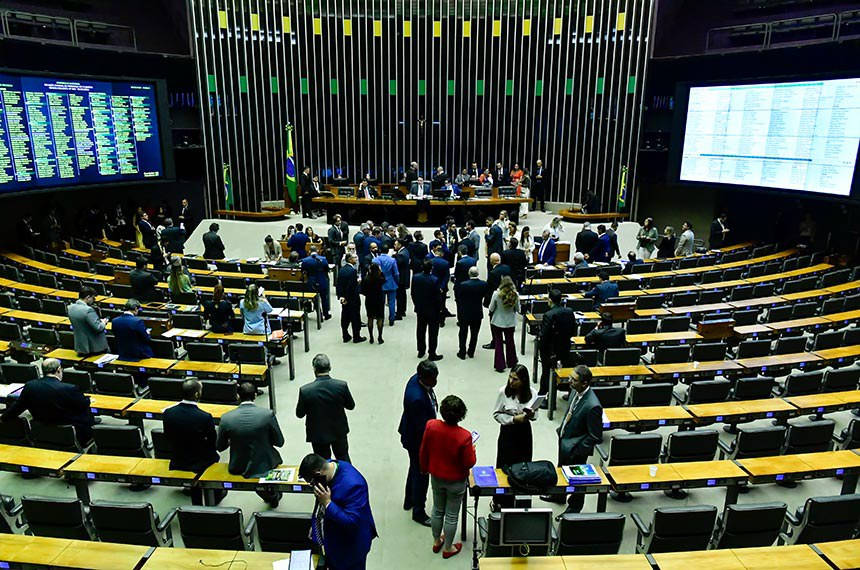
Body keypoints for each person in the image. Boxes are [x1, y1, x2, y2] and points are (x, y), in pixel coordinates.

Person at [419, 395, 475, 559]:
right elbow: (469, 462)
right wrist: (473, 451)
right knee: (451, 515)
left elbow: (424, 450)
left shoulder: (431, 426)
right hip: (456, 481)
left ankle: (437, 541)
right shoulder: (464, 436)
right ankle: (448, 547)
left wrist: (424, 469)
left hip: (436, 476)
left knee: (437, 509)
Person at [299, 453, 378, 570]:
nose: (313, 486)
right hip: (333, 538)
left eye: (312, 483)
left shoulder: (354, 485)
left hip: (350, 548)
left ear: (318, 474)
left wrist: (328, 503)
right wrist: (317, 523)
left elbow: (351, 522)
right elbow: (320, 500)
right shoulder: (330, 466)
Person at [544, 365, 603, 514]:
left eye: (573, 380)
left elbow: (595, 436)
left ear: (584, 383)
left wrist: (578, 451)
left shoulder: (593, 406)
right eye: (570, 377)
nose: (569, 381)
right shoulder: (575, 392)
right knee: (561, 470)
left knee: (577, 480)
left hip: (576, 449)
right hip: (565, 441)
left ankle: (574, 508)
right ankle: (559, 496)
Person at [217, 383, 285, 507]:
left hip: (238, 465)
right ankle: (272, 496)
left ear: (238, 396)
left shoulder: (226, 418)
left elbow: (220, 446)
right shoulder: (267, 414)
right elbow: (279, 442)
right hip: (265, 463)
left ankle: (270, 495)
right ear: (255, 395)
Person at [0, 358, 95, 446]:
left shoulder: (30, 385)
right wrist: (87, 399)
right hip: (69, 432)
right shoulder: (70, 388)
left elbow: (18, 406)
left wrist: (3, 418)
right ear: (58, 370)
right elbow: (84, 404)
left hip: (42, 431)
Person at [163, 379, 225, 504]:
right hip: (200, 461)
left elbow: (167, 436)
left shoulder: (168, 413)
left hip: (178, 458)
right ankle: (216, 494)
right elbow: (214, 442)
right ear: (197, 394)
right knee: (214, 455)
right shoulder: (205, 417)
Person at [398, 360, 439, 527]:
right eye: (433, 379)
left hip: (411, 432)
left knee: (414, 467)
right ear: (423, 377)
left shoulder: (416, 379)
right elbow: (422, 430)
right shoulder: (417, 399)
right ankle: (419, 511)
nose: (436, 381)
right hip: (417, 440)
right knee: (422, 473)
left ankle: (409, 500)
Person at [296, 354, 355, 462]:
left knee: (322, 463)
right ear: (330, 368)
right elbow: (351, 406)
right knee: (343, 457)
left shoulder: (305, 391)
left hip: (318, 433)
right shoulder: (341, 386)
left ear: (314, 369)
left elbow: (299, 414)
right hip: (338, 430)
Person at [493, 365, 537, 469]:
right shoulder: (503, 392)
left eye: (515, 379)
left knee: (523, 464)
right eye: (510, 377)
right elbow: (497, 414)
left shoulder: (533, 394)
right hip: (508, 432)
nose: (511, 381)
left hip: (524, 432)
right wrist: (513, 419)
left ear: (523, 380)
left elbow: (535, 415)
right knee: (505, 464)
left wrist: (531, 415)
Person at [539, 289, 576, 397]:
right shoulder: (569, 311)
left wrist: (542, 350)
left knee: (547, 373)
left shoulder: (548, 315)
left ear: (549, 300)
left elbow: (544, 335)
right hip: (565, 347)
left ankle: (545, 397)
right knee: (564, 369)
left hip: (551, 350)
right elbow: (573, 329)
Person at [412, 261, 443, 361]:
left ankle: (421, 350)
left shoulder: (416, 278)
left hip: (420, 308)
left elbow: (413, 293)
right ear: (431, 269)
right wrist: (440, 309)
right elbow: (437, 297)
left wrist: (416, 304)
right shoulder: (434, 280)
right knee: (433, 332)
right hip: (433, 310)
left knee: (420, 330)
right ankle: (432, 353)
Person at [488, 276, 520, 373]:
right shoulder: (515, 294)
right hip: (510, 322)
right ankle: (511, 362)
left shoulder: (496, 294)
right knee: (510, 341)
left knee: (499, 343)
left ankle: (500, 364)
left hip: (497, 321)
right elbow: (518, 309)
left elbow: (491, 308)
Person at [456, 267, 486, 360]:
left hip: (465, 312)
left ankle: (462, 352)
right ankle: (471, 351)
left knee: (463, 332)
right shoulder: (483, 284)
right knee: (474, 333)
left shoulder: (463, 285)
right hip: (477, 312)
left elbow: (459, 297)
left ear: (469, 274)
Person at [67, 287, 108, 356]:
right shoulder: (88, 310)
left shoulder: (70, 308)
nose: (94, 301)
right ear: (88, 297)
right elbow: (98, 328)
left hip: (81, 346)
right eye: (93, 298)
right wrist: (103, 322)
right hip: (95, 347)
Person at [336, 253, 366, 343]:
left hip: (344, 298)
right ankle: (356, 336)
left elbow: (339, 284)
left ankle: (345, 335)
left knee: (345, 317)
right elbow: (351, 286)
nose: (356, 259)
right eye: (354, 258)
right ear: (349, 260)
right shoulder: (352, 271)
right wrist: (358, 283)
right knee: (355, 317)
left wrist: (341, 296)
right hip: (352, 298)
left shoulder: (342, 269)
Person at [302, 245, 332, 320]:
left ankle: (319, 314)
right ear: (318, 250)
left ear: (309, 251)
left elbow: (303, 271)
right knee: (324, 298)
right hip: (322, 280)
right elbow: (327, 270)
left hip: (311, 282)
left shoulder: (305, 261)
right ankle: (326, 314)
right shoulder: (323, 259)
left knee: (315, 299)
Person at [373, 247, 400, 326]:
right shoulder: (392, 260)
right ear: (388, 251)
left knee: (380, 302)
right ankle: (391, 319)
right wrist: (397, 281)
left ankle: (381, 318)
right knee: (392, 302)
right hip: (390, 282)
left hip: (379, 283)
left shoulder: (375, 260)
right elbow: (396, 273)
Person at [361, 263, 386, 344]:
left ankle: (371, 337)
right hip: (379, 299)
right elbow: (384, 280)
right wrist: (381, 272)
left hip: (369, 300)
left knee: (370, 318)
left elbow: (362, 290)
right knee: (380, 318)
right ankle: (380, 337)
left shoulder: (366, 279)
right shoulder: (380, 278)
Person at [394, 239, 411, 319]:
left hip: (401, 278)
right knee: (402, 295)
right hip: (403, 277)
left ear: (400, 245)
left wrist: (394, 256)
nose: (394, 246)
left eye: (395, 244)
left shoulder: (402, 254)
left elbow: (398, 263)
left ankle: (399, 313)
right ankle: (402, 310)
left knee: (400, 296)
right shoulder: (405, 251)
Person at [328, 214, 349, 278]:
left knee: (340, 266)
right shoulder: (332, 230)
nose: (340, 222)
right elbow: (330, 240)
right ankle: (336, 281)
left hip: (340, 250)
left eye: (340, 221)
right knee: (337, 267)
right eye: (338, 221)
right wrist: (340, 243)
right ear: (334, 222)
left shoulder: (338, 228)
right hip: (335, 251)